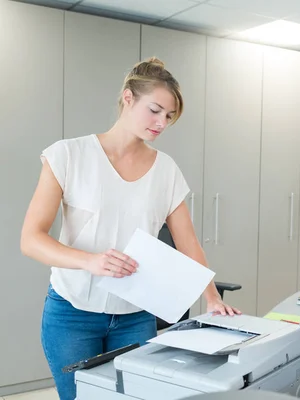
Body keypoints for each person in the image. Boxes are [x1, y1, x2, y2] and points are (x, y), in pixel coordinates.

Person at [20, 57, 241, 400]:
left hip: (135, 315)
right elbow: (31, 239)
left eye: (169, 116)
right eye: (155, 110)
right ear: (128, 98)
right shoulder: (68, 155)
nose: (161, 123)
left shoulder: (165, 170)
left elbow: (189, 244)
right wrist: (89, 261)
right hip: (72, 313)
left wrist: (211, 297)